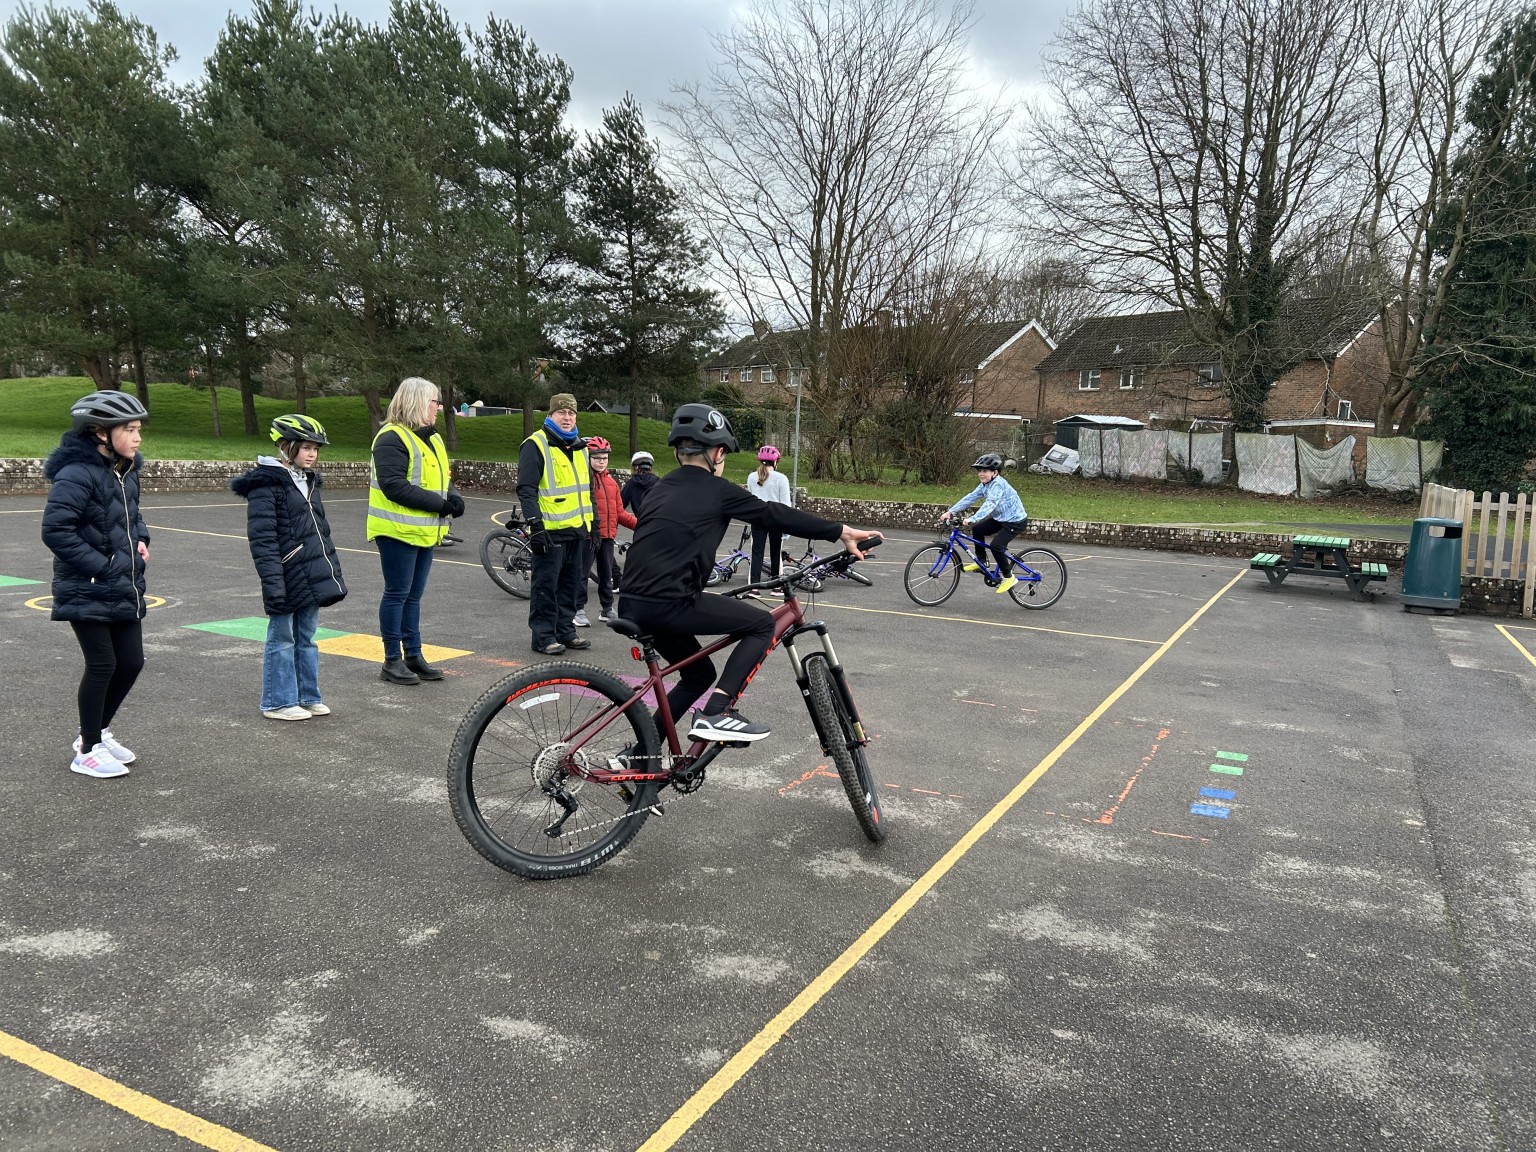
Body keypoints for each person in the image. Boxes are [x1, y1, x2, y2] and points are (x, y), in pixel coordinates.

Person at [618, 403, 880, 742]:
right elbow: (775, 514)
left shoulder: (659, 489)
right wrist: (840, 531)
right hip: (671, 602)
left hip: (633, 601)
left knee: (698, 675)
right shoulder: (718, 490)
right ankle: (717, 712)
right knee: (762, 624)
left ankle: (643, 752)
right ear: (716, 452)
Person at [41, 390, 152, 779]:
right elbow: (56, 530)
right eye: (130, 429)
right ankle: (86, 750)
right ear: (100, 432)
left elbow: (132, 517)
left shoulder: (125, 471)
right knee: (103, 664)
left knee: (132, 662)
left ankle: (97, 733)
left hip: (122, 582)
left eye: (139, 429)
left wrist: (141, 539)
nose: (138, 437)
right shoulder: (76, 473)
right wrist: (103, 565)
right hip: (86, 584)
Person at [230, 415, 348, 721]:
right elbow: (263, 539)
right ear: (286, 446)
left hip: (310, 575)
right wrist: (273, 583)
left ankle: (307, 696)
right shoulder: (266, 484)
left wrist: (330, 571)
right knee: (282, 638)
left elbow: (320, 533)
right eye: (306, 447)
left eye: (315, 449)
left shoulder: (307, 481)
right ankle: (277, 701)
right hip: (285, 574)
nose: (312, 454)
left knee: (307, 637)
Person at [367, 376, 465, 685]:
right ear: (416, 402)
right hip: (396, 530)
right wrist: (441, 505)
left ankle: (413, 654)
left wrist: (453, 495)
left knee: (413, 596)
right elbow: (394, 486)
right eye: (434, 401)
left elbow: (439, 476)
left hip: (422, 531)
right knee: (397, 593)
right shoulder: (391, 437)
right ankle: (391, 660)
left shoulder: (431, 438)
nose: (438, 407)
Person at [518, 393, 593, 655]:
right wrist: (535, 525)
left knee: (571, 585)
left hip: (577, 529)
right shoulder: (535, 444)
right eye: (561, 413)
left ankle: (565, 630)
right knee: (546, 587)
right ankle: (543, 636)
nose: (567, 417)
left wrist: (591, 526)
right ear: (550, 416)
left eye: (571, 413)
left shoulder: (580, 447)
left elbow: (587, 490)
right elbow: (526, 489)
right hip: (550, 531)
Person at [940, 452, 1029, 593]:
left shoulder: (998, 485)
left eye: (985, 471)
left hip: (1014, 521)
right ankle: (981, 561)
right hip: (1001, 518)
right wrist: (951, 511)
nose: (981, 474)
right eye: (979, 471)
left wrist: (972, 518)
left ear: (994, 472)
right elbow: (970, 498)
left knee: (996, 546)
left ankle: (1009, 577)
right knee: (978, 530)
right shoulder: (985, 484)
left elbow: (990, 504)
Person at [579, 437, 637, 625]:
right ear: (588, 458)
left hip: (607, 536)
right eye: (597, 458)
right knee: (582, 574)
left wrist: (643, 524)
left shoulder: (611, 483)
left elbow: (619, 512)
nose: (601, 462)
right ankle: (577, 609)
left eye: (604, 458)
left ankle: (607, 608)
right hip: (587, 536)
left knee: (607, 575)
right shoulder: (582, 480)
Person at [744, 444, 792, 597]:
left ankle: (754, 588)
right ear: (775, 461)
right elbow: (785, 504)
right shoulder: (781, 478)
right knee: (775, 552)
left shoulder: (752, 477)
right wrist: (787, 527)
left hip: (758, 518)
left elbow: (750, 499)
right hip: (776, 518)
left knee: (756, 552)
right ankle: (776, 586)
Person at [622, 450, 658, 516]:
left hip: (641, 522)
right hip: (658, 521)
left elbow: (620, 505)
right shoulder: (659, 481)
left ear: (635, 468)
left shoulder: (632, 483)